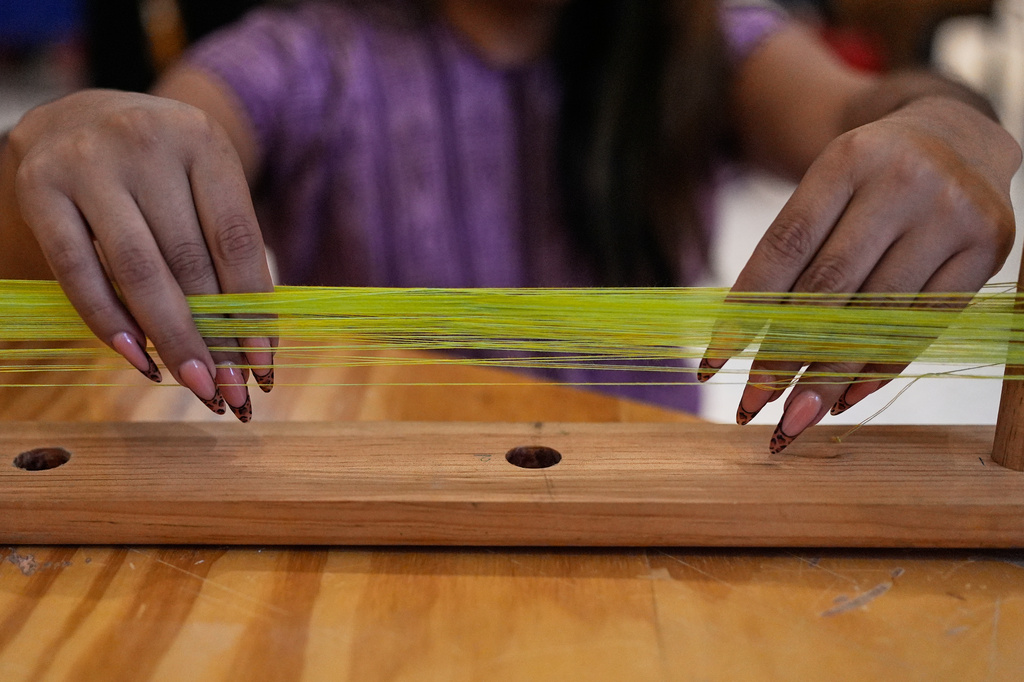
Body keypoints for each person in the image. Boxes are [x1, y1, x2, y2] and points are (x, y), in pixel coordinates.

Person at [0, 0, 1019, 452]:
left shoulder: (702, 41)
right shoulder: (303, 56)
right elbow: (172, 136)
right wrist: (72, 153)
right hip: (369, 544)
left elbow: (863, 107)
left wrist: (945, 121)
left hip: (649, 545)